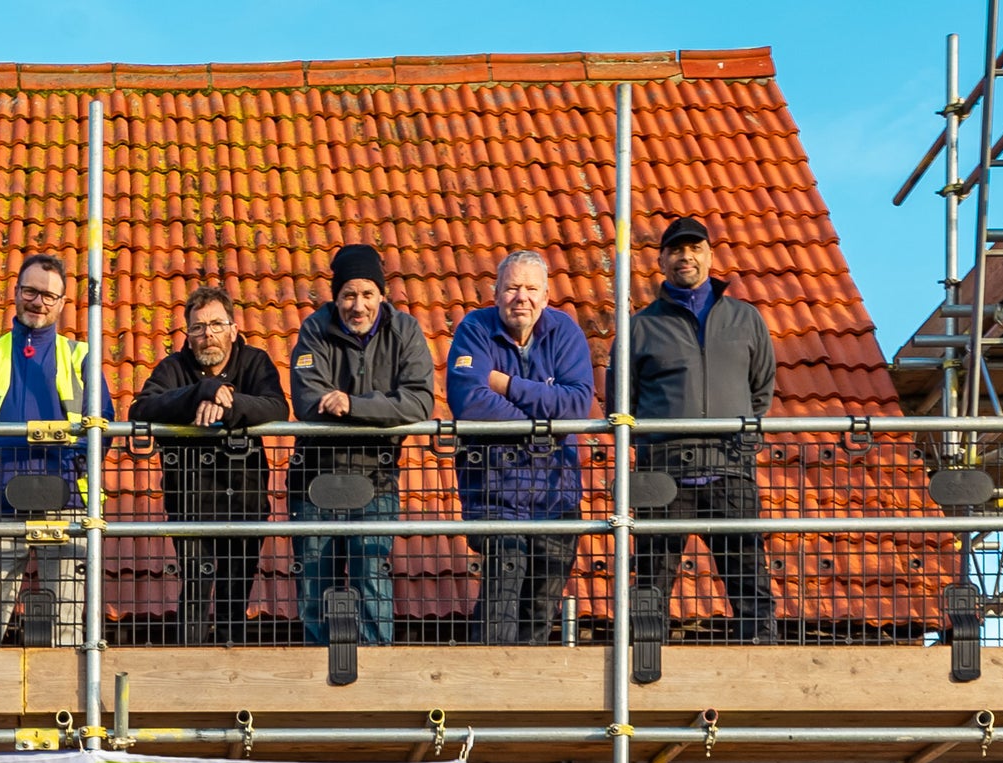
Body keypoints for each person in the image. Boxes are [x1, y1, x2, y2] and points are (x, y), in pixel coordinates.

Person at [627, 217, 778, 645]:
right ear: (661, 261)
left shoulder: (745, 319)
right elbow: (624, 399)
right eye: (676, 250)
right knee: (651, 582)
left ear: (710, 255)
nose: (685, 256)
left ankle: (761, 660)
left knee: (748, 574)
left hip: (730, 467)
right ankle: (644, 660)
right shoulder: (641, 326)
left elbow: (761, 387)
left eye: (694, 248)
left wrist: (741, 437)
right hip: (663, 471)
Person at [285, 244, 437, 648]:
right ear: (336, 298)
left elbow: (420, 402)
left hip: (377, 475)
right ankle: (318, 669)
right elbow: (307, 402)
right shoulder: (314, 329)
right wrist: (383, 412)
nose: (358, 305)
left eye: (368, 294)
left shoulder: (405, 331)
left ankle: (377, 670)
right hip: (315, 475)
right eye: (349, 295)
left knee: (372, 575)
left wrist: (352, 403)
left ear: (382, 296)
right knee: (316, 580)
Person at [445, 251, 599, 645]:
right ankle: (489, 693)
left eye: (531, 289)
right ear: (496, 293)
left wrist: (505, 384)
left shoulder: (565, 332)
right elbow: (469, 401)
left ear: (546, 297)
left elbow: (577, 405)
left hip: (556, 496)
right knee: (500, 596)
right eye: (512, 288)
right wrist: (541, 415)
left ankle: (528, 696)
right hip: (495, 493)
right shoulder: (474, 329)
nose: (521, 298)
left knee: (542, 604)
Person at [127, 285, 284, 647]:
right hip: (189, 504)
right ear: (188, 334)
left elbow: (277, 407)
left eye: (216, 324)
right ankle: (188, 669)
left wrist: (228, 404)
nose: (207, 334)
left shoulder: (256, 362)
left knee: (235, 594)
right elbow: (142, 408)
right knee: (195, 591)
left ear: (233, 328)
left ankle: (233, 675)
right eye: (198, 328)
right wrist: (200, 392)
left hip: (244, 503)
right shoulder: (173, 367)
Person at [0, 253, 93, 649]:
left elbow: (102, 421)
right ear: (15, 293)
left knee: (64, 615)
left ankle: (65, 708)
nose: (39, 302)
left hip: (64, 500)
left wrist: (78, 463)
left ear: (63, 303)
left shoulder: (79, 356)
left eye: (49, 295)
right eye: (30, 291)